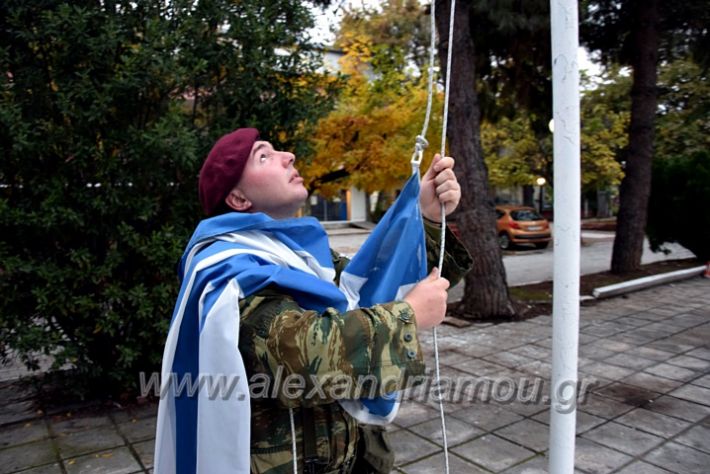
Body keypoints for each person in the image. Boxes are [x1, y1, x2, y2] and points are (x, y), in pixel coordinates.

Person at [154, 128, 472, 474]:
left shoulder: (298, 254)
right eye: (264, 156)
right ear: (238, 199)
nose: (287, 156)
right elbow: (301, 360)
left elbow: (371, 288)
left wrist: (424, 217)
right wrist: (407, 316)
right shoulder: (227, 270)